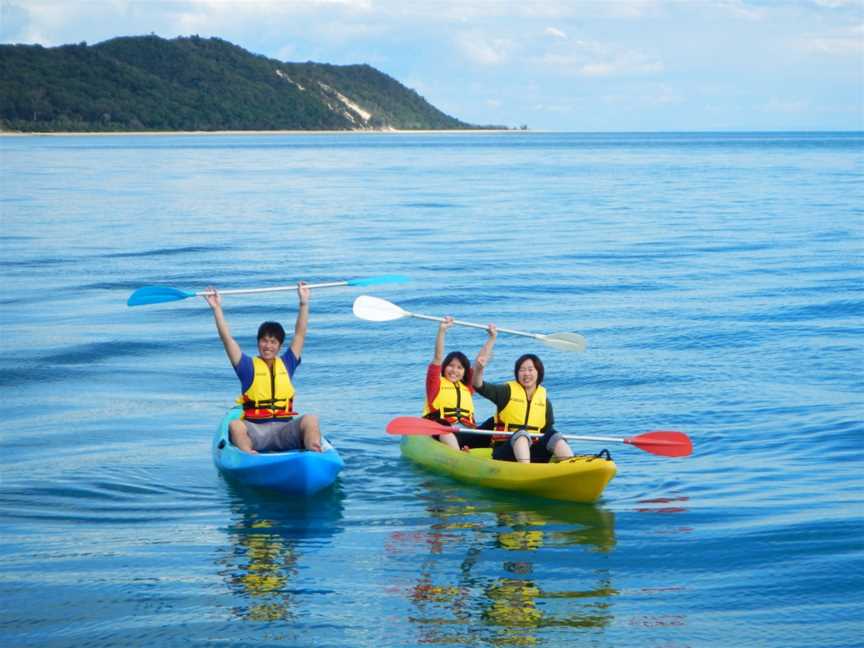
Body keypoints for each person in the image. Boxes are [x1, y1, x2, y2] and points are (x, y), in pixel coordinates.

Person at [205, 282, 321, 454]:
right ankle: (250, 456)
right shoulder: (246, 366)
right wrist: (216, 308)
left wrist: (304, 303)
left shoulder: (287, 363)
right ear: (258, 342)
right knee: (235, 426)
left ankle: (314, 453)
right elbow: (227, 339)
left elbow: (300, 334)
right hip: (256, 432)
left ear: (280, 346)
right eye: (264, 341)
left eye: (273, 342)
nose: (268, 346)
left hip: (284, 430)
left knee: (310, 419)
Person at [473, 346, 573, 464]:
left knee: (554, 435)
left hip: (534, 452)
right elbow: (479, 386)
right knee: (521, 435)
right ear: (517, 373)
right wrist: (479, 369)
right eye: (522, 370)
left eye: (530, 370)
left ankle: (572, 465)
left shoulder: (545, 402)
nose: (526, 373)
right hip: (505, 451)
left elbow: (547, 432)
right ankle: (526, 470)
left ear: (538, 372)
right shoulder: (506, 392)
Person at [422, 317, 497, 451]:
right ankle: (458, 455)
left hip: (467, 434)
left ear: (464, 372)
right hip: (443, 433)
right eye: (451, 366)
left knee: (495, 421)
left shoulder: (467, 387)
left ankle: (498, 450)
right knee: (443, 426)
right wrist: (442, 330)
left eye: (459, 367)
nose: (454, 371)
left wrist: (491, 338)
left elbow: (480, 361)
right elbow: (438, 358)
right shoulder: (435, 384)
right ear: (444, 368)